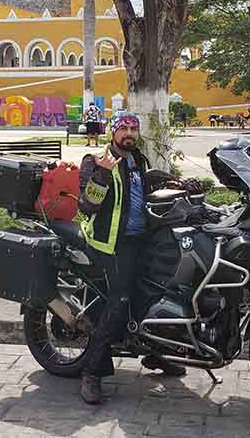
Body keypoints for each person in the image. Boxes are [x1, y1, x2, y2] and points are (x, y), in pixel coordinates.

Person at [76, 111, 186, 405]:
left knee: (157, 293)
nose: (128, 132)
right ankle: (91, 373)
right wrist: (100, 173)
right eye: (122, 127)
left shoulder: (138, 160)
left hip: (140, 240)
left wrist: (179, 185)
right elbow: (87, 205)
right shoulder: (95, 161)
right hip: (110, 244)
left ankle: (156, 352)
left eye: (133, 128)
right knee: (120, 300)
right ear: (112, 132)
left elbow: (145, 189)